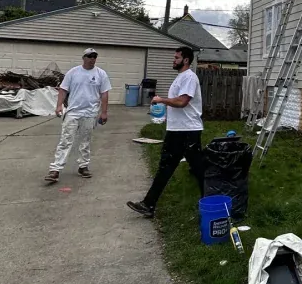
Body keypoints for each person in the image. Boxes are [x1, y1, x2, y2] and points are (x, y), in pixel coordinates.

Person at [127, 45, 203, 218]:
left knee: (198, 168)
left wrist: (162, 100)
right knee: (166, 167)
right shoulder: (180, 77)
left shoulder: (189, 77)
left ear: (185, 60)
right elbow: (177, 102)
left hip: (188, 130)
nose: (173, 60)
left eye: (176, 58)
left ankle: (212, 204)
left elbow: (182, 101)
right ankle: (148, 204)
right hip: (177, 129)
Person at [45, 47, 111, 183]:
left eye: (94, 56)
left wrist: (104, 112)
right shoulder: (73, 72)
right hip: (73, 112)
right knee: (66, 140)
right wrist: (59, 106)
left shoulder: (101, 74)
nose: (92, 59)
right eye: (89, 56)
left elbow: (104, 93)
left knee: (85, 141)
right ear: (84, 58)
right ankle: (55, 170)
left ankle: (83, 166)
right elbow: (63, 90)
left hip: (90, 113)